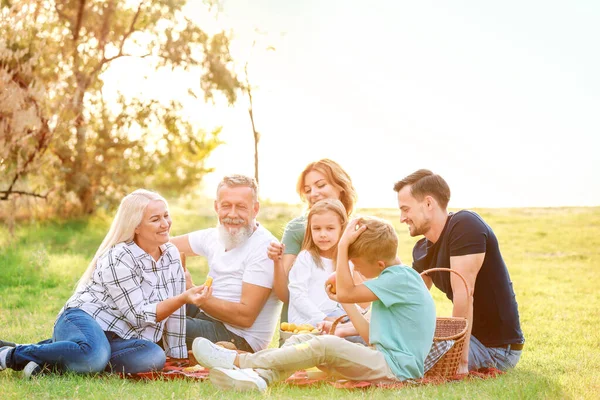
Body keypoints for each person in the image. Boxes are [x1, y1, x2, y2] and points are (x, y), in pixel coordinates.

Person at [191, 217, 437, 392]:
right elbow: (367, 333)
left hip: (396, 370)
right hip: (380, 359)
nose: (355, 270)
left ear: (380, 264)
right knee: (303, 340)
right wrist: (343, 297)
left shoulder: (400, 278)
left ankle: (237, 361)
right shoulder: (392, 281)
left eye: (357, 265)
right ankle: (260, 378)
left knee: (325, 344)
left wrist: (342, 248)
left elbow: (349, 290)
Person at [0, 189, 209, 378]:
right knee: (93, 356)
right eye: (155, 219)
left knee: (153, 356)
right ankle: (11, 354)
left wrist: (176, 356)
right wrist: (183, 297)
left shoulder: (171, 254)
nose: (165, 224)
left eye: (166, 216)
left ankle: (49, 358)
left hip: (120, 335)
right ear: (135, 226)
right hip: (84, 318)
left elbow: (174, 313)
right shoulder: (119, 257)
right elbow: (138, 316)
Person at [393, 169, 525, 373]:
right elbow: (410, 300)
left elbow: (465, 293)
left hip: (495, 349)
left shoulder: (465, 226)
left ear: (428, 204)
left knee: (404, 359)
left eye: (406, 209)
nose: (402, 218)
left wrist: (459, 362)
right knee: (393, 346)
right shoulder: (421, 248)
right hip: (470, 339)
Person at [171, 174, 281, 353]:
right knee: (154, 309)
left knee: (160, 324)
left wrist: (194, 292)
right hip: (208, 316)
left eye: (241, 207)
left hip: (237, 338)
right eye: (226, 206)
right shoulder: (216, 235)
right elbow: (166, 246)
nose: (232, 214)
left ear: (255, 209)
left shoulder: (264, 248)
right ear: (216, 206)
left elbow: (245, 317)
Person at [283, 199, 348, 326]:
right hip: (307, 322)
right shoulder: (306, 258)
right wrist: (322, 319)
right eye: (317, 229)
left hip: (334, 318)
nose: (323, 234)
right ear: (310, 230)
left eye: (330, 228)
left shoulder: (345, 262)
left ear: (341, 228)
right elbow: (298, 294)